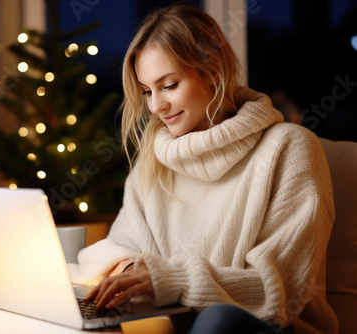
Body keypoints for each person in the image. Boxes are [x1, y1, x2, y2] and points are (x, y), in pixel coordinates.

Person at [67, 2, 338, 333]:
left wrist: (168, 279)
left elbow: (281, 290)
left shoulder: (289, 148)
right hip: (174, 326)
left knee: (218, 321)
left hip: (265, 327)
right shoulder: (154, 160)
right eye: (147, 91)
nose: (156, 106)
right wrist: (128, 269)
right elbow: (107, 253)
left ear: (212, 71)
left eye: (169, 85)